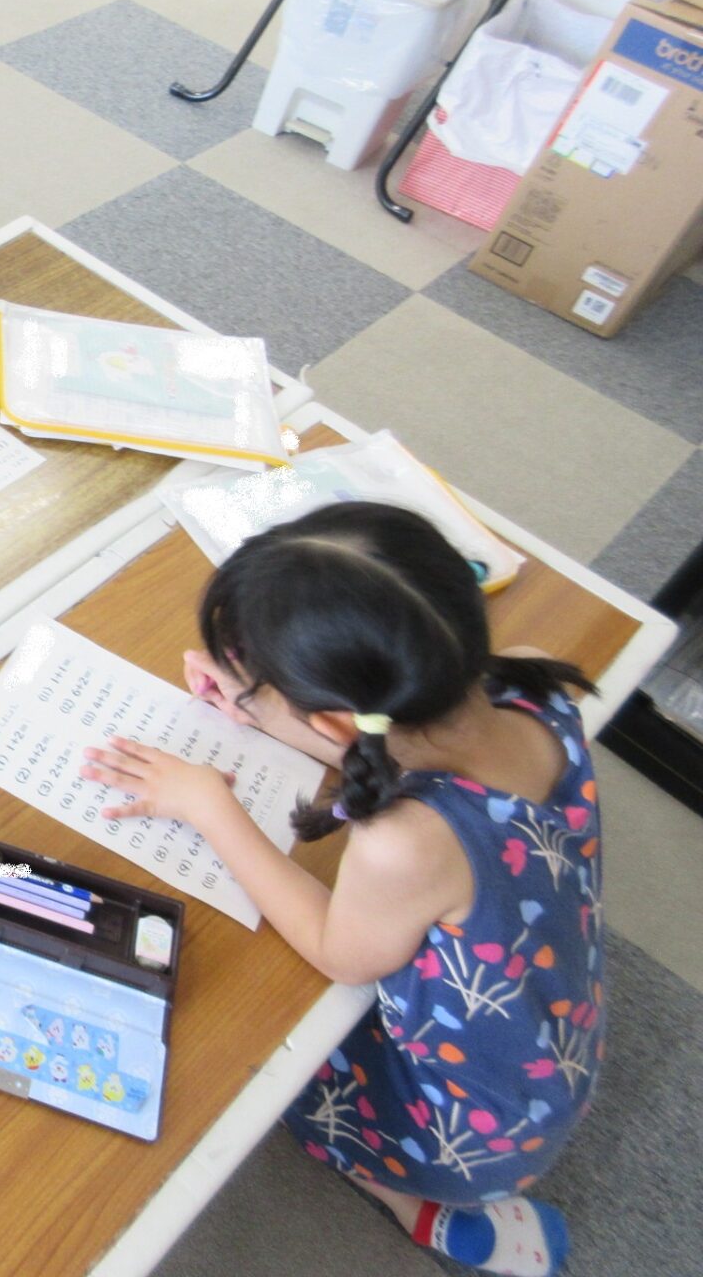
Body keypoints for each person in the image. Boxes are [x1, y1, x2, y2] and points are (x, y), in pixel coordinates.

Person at [85, 503, 598, 1277]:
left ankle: (412, 1198)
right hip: (553, 1048)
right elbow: (392, 739)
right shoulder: (530, 680)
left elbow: (341, 953)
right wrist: (267, 712)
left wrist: (209, 805)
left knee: (251, 1053)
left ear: (334, 719)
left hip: (470, 1130)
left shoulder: (405, 842)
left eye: (252, 684)